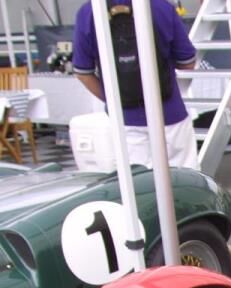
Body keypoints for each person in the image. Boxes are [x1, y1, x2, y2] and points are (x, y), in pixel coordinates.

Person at [72, 0, 199, 169]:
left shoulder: (88, 12)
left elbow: (83, 73)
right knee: (187, 182)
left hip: (125, 118)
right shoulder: (160, 6)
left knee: (140, 186)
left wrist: (114, 99)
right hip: (170, 113)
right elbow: (187, 62)